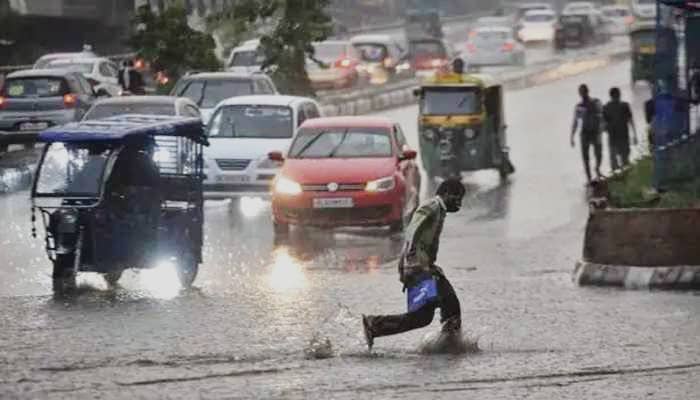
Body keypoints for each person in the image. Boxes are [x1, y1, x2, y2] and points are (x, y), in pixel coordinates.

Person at [362, 178, 466, 350]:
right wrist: (413, 264)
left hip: (421, 267)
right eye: (457, 197)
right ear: (446, 193)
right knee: (450, 302)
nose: (459, 203)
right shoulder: (432, 206)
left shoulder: (439, 211)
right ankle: (451, 342)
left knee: (421, 318)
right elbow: (412, 232)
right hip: (418, 268)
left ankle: (375, 325)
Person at [571, 84, 603, 183]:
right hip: (584, 133)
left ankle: (597, 168)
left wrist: (601, 130)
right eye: (581, 92)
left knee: (599, 154)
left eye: (584, 91)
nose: (583, 94)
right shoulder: (579, 107)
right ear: (579, 94)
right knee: (585, 157)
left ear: (588, 91)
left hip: (595, 131)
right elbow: (575, 122)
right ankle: (589, 179)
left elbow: (602, 117)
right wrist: (572, 136)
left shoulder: (596, 102)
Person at [603, 87, 638, 171]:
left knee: (620, 162)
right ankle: (623, 175)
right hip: (619, 137)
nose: (617, 97)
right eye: (617, 95)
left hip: (617, 138)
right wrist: (634, 135)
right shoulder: (622, 106)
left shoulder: (608, 107)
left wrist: (634, 135)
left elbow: (604, 125)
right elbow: (631, 121)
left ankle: (622, 176)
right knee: (621, 162)